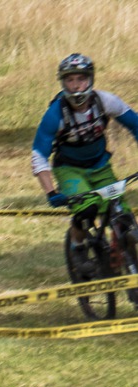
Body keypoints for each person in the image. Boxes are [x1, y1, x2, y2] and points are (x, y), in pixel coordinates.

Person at [32, 53, 138, 246]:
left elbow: (136, 125)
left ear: (91, 79)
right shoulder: (54, 115)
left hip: (100, 166)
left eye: (81, 78)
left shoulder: (106, 101)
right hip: (69, 170)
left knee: (122, 215)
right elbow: (39, 155)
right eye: (70, 79)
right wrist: (51, 192)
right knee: (86, 212)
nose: (76, 85)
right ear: (63, 83)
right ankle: (77, 247)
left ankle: (122, 257)